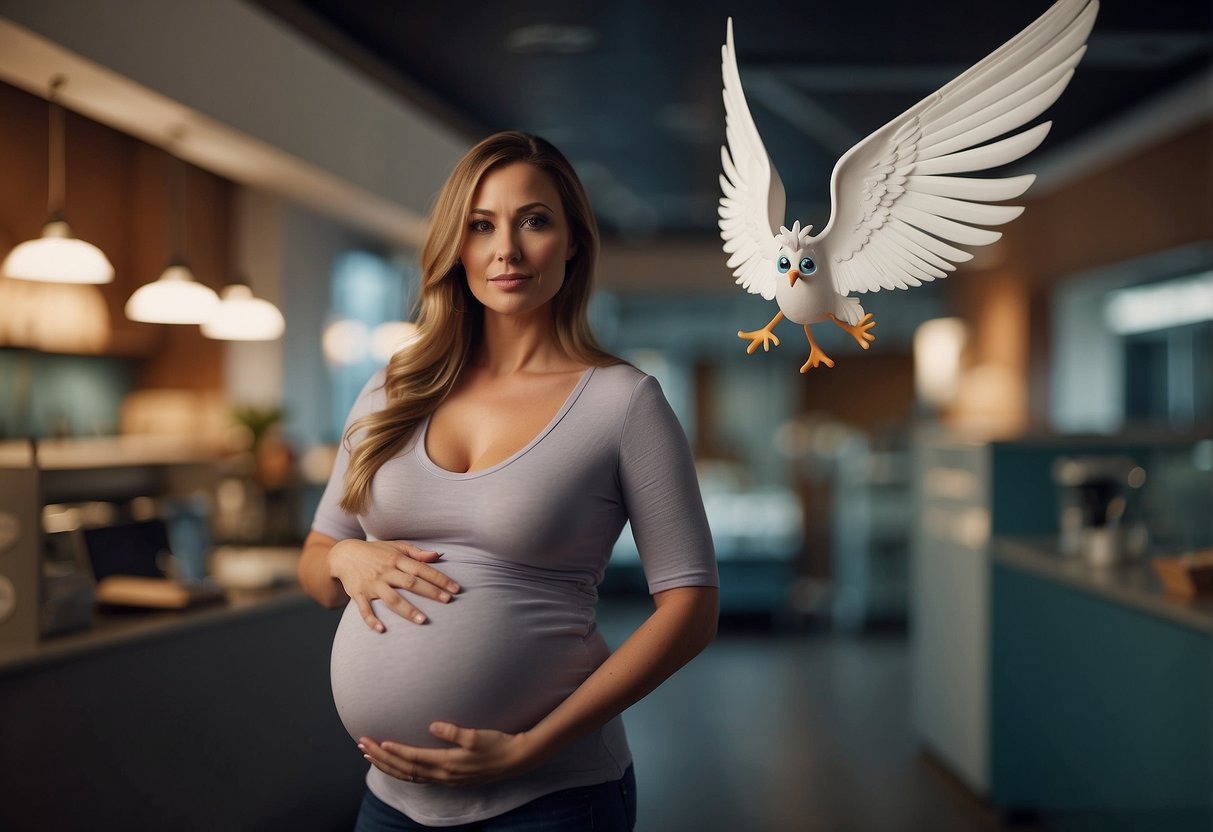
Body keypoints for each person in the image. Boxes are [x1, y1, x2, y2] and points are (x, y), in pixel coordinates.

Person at [299, 131, 719, 831]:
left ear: (573, 241)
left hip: (549, 799)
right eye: (481, 225)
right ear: (455, 245)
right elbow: (314, 565)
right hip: (391, 804)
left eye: (534, 220)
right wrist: (343, 556)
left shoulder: (622, 402)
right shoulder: (390, 388)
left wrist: (531, 747)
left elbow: (690, 610)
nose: (507, 251)